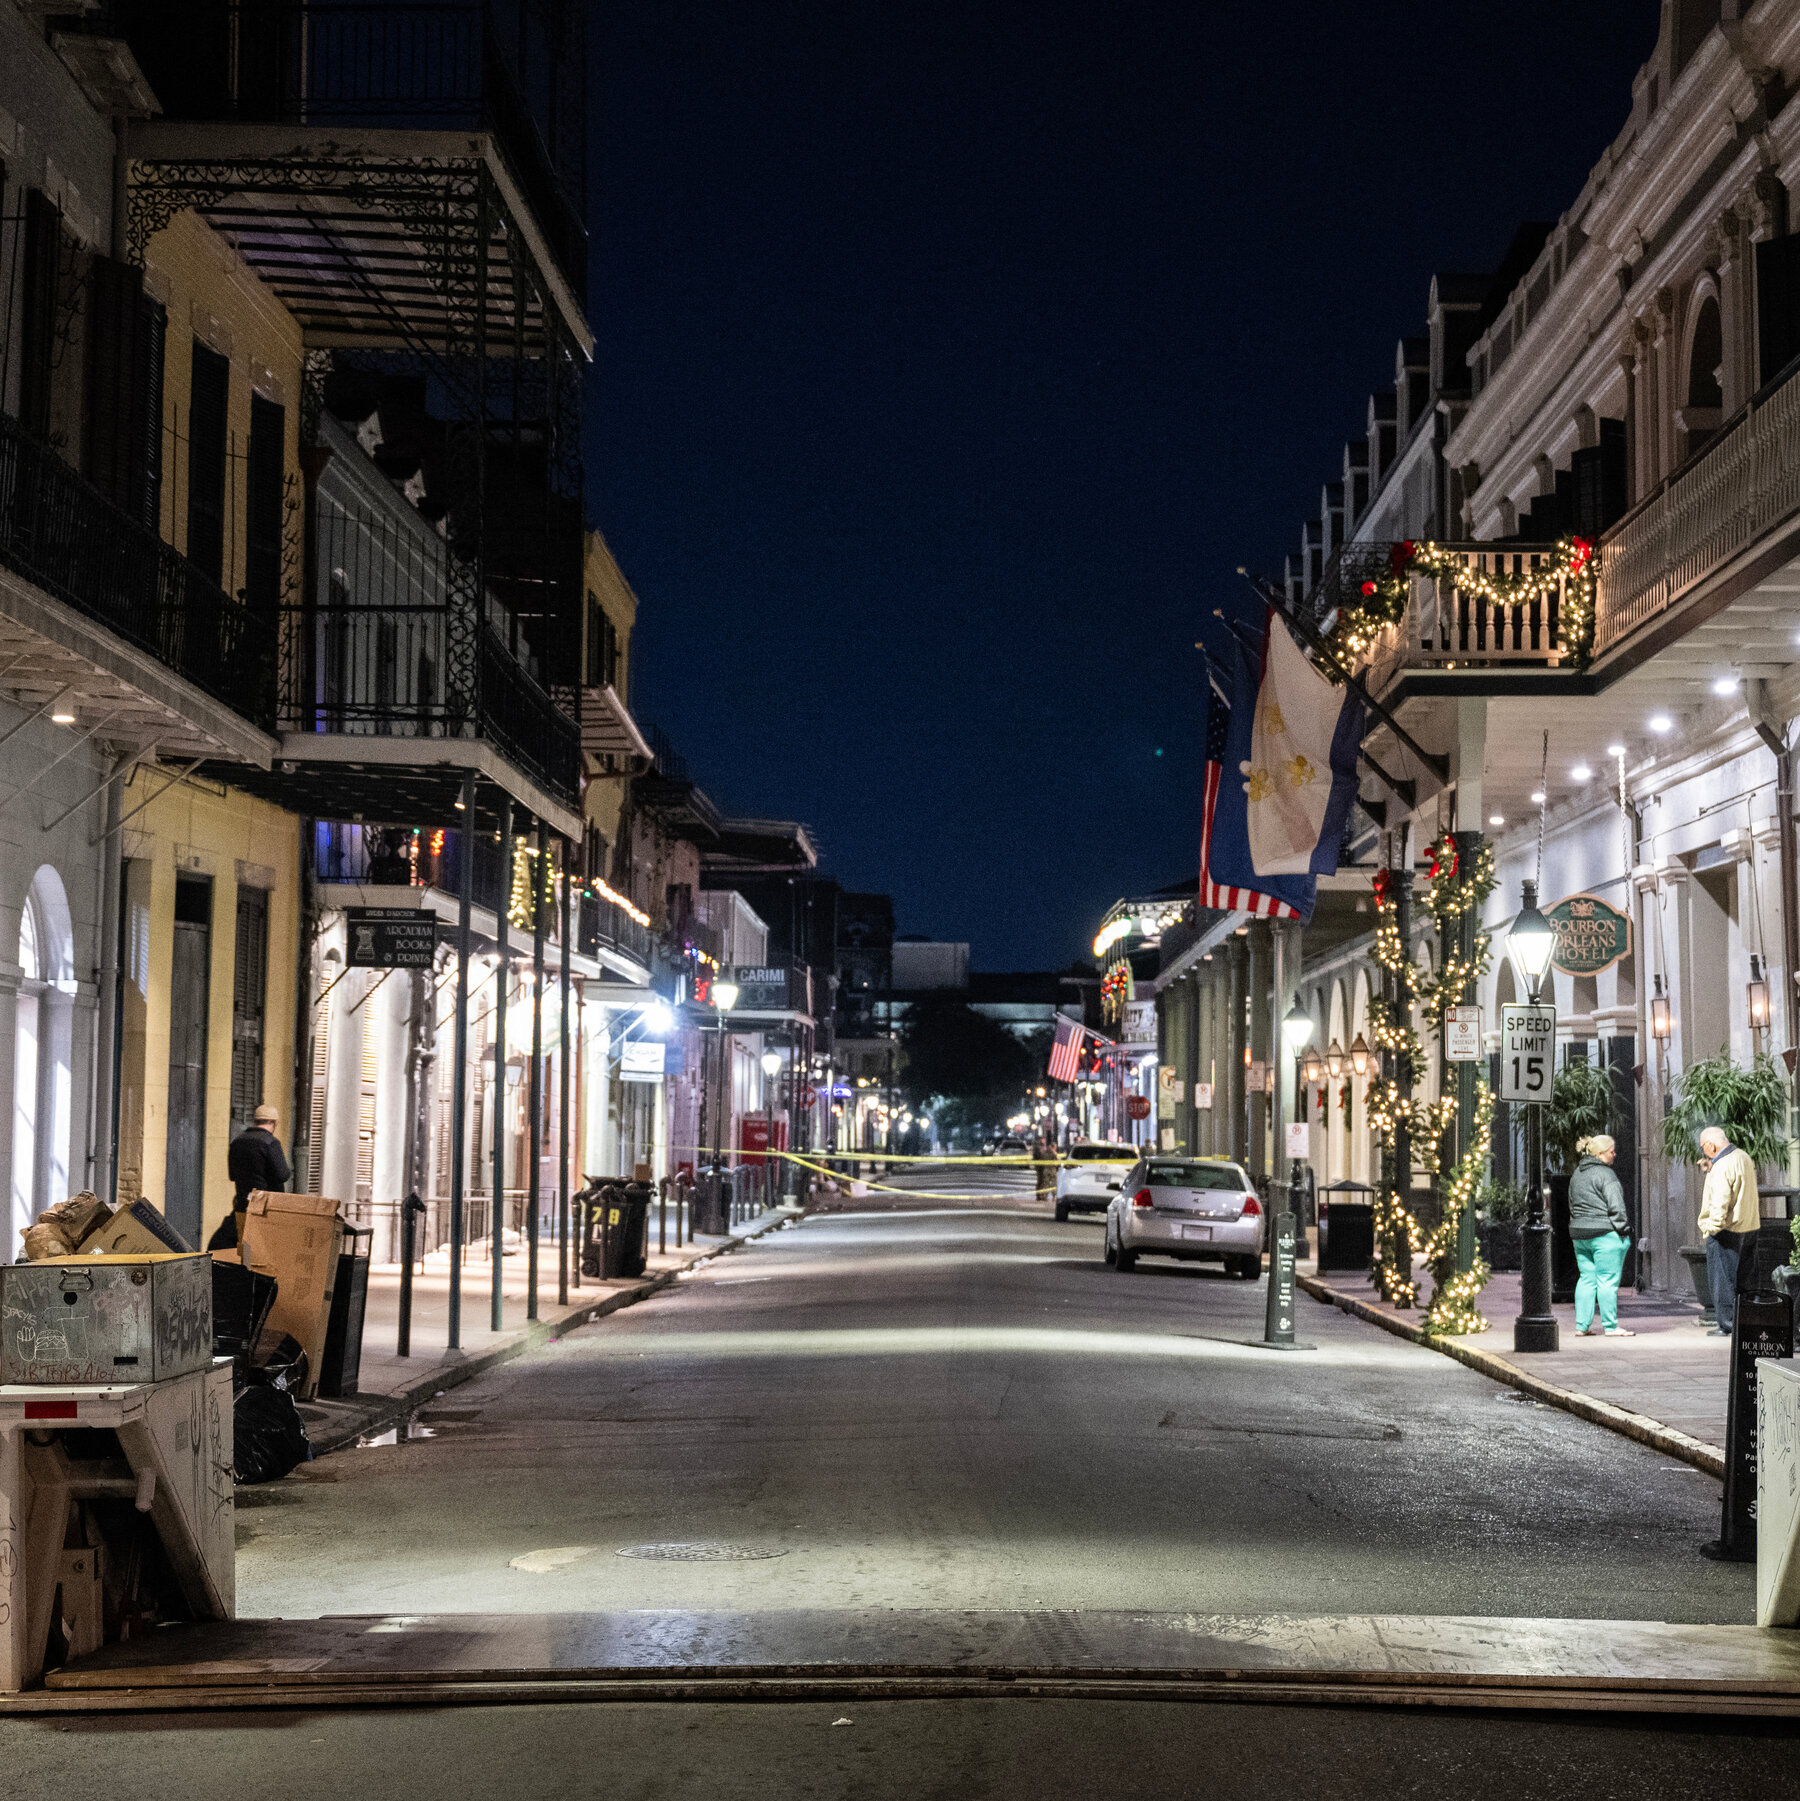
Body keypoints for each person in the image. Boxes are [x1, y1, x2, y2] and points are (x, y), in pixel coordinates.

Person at [1566, 1133, 1633, 1337]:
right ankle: (1611, 1326)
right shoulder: (1606, 1175)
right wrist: (1623, 1230)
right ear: (1600, 1153)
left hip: (1580, 1234)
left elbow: (1571, 1203)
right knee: (1607, 1281)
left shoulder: (1577, 1173)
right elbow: (1616, 1207)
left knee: (1587, 1279)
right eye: (1611, 1151)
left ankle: (1582, 1326)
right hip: (1605, 1234)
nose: (1615, 1154)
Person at [1697, 1124, 1758, 1337]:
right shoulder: (1743, 1157)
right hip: (1749, 1226)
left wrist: (1711, 1228)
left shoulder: (1722, 1166)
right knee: (1743, 1279)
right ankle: (1744, 1324)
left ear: (1711, 1145)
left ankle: (1727, 1325)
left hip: (1726, 1230)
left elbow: (1721, 1199)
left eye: (1703, 1146)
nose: (1703, 1151)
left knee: (1723, 1280)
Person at [210, 1103, 292, 1251]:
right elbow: (283, 1175)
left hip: (243, 1204)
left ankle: (246, 1270)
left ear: (255, 1121)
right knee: (263, 1250)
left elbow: (232, 1175)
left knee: (246, 1247)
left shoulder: (237, 1142)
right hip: (267, 1208)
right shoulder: (271, 1143)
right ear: (274, 1123)